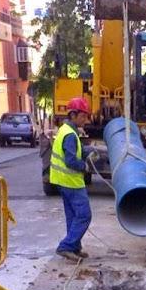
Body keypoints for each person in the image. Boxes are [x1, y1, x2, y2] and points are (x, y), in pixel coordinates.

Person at [49, 97, 96, 262]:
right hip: (71, 181)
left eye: (86, 116)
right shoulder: (70, 134)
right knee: (84, 215)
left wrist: (90, 151)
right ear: (73, 115)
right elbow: (70, 160)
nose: (85, 119)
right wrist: (85, 166)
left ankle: (74, 247)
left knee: (73, 216)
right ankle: (66, 246)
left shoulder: (67, 130)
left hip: (62, 181)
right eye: (83, 116)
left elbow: (77, 150)